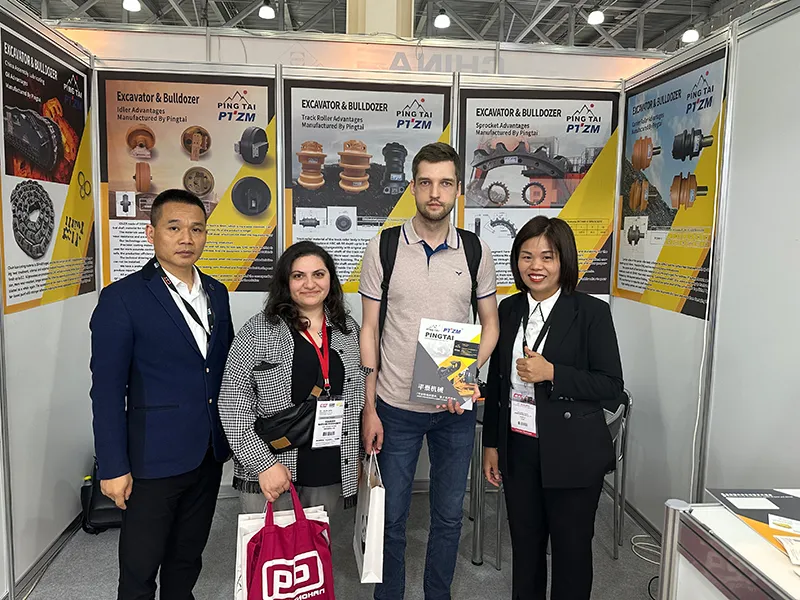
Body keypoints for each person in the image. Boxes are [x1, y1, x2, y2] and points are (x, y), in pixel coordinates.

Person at [359, 142, 500, 600]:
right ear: (413, 187)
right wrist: (369, 408)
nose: (434, 193)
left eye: (444, 183)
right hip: (395, 408)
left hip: (453, 410)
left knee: (449, 516)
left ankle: (438, 594)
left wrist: (463, 375)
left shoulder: (475, 251)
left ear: (458, 189)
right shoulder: (384, 247)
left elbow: (491, 324)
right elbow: (369, 328)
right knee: (391, 518)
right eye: (425, 183)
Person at [90, 189, 235, 600]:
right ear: (151, 233)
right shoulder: (123, 298)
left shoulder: (217, 292)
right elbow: (106, 391)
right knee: (140, 569)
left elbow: (219, 371)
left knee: (186, 560)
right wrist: (112, 467)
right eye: (174, 228)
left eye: (196, 229)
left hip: (206, 453)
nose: (186, 238)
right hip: (151, 459)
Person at [482, 215, 624, 600]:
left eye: (547, 257)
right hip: (519, 448)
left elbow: (611, 386)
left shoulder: (590, 312)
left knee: (571, 552)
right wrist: (491, 445)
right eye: (526, 256)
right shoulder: (507, 310)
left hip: (572, 452)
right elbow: (499, 384)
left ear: (564, 260)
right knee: (525, 549)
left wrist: (553, 373)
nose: (536, 266)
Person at [219, 241, 365, 515]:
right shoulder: (258, 331)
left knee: (319, 541)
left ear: (330, 279)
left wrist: (355, 456)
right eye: (299, 276)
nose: (309, 284)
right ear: (286, 282)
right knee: (272, 543)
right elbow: (233, 404)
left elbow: (359, 397)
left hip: (328, 465)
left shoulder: (348, 331)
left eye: (318, 274)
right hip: (273, 466)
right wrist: (263, 464)